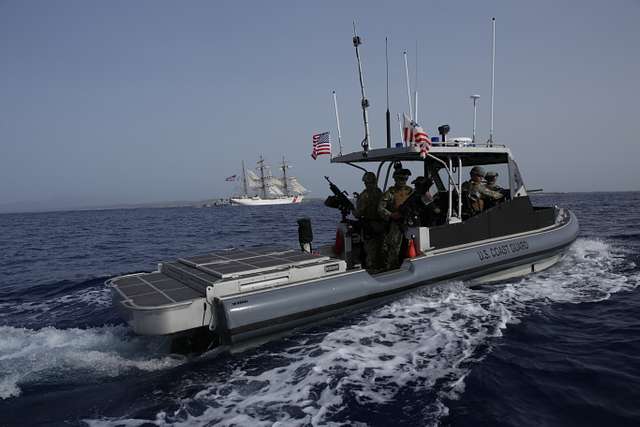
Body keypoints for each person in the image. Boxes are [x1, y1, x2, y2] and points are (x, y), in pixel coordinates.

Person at [378, 168, 413, 270]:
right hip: (396, 224)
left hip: (410, 223)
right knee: (393, 247)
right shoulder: (390, 193)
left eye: (405, 179)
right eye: (400, 179)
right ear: (395, 179)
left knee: (412, 244)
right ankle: (393, 268)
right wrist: (391, 215)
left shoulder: (411, 192)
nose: (403, 182)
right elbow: (380, 208)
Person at [355, 172, 385, 272]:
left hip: (370, 225)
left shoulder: (365, 194)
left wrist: (354, 209)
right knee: (379, 247)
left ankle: (372, 269)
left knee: (370, 249)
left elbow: (358, 213)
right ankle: (381, 266)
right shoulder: (379, 192)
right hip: (380, 225)